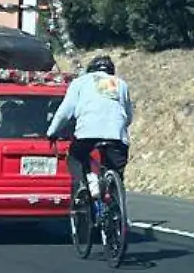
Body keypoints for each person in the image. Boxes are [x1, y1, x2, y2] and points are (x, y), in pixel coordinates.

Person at [47, 55, 133, 204]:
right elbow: (128, 116)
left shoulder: (81, 82)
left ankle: (81, 185)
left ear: (90, 70)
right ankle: (116, 207)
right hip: (117, 135)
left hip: (87, 132)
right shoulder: (121, 84)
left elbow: (65, 111)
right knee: (117, 171)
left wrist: (52, 132)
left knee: (75, 156)